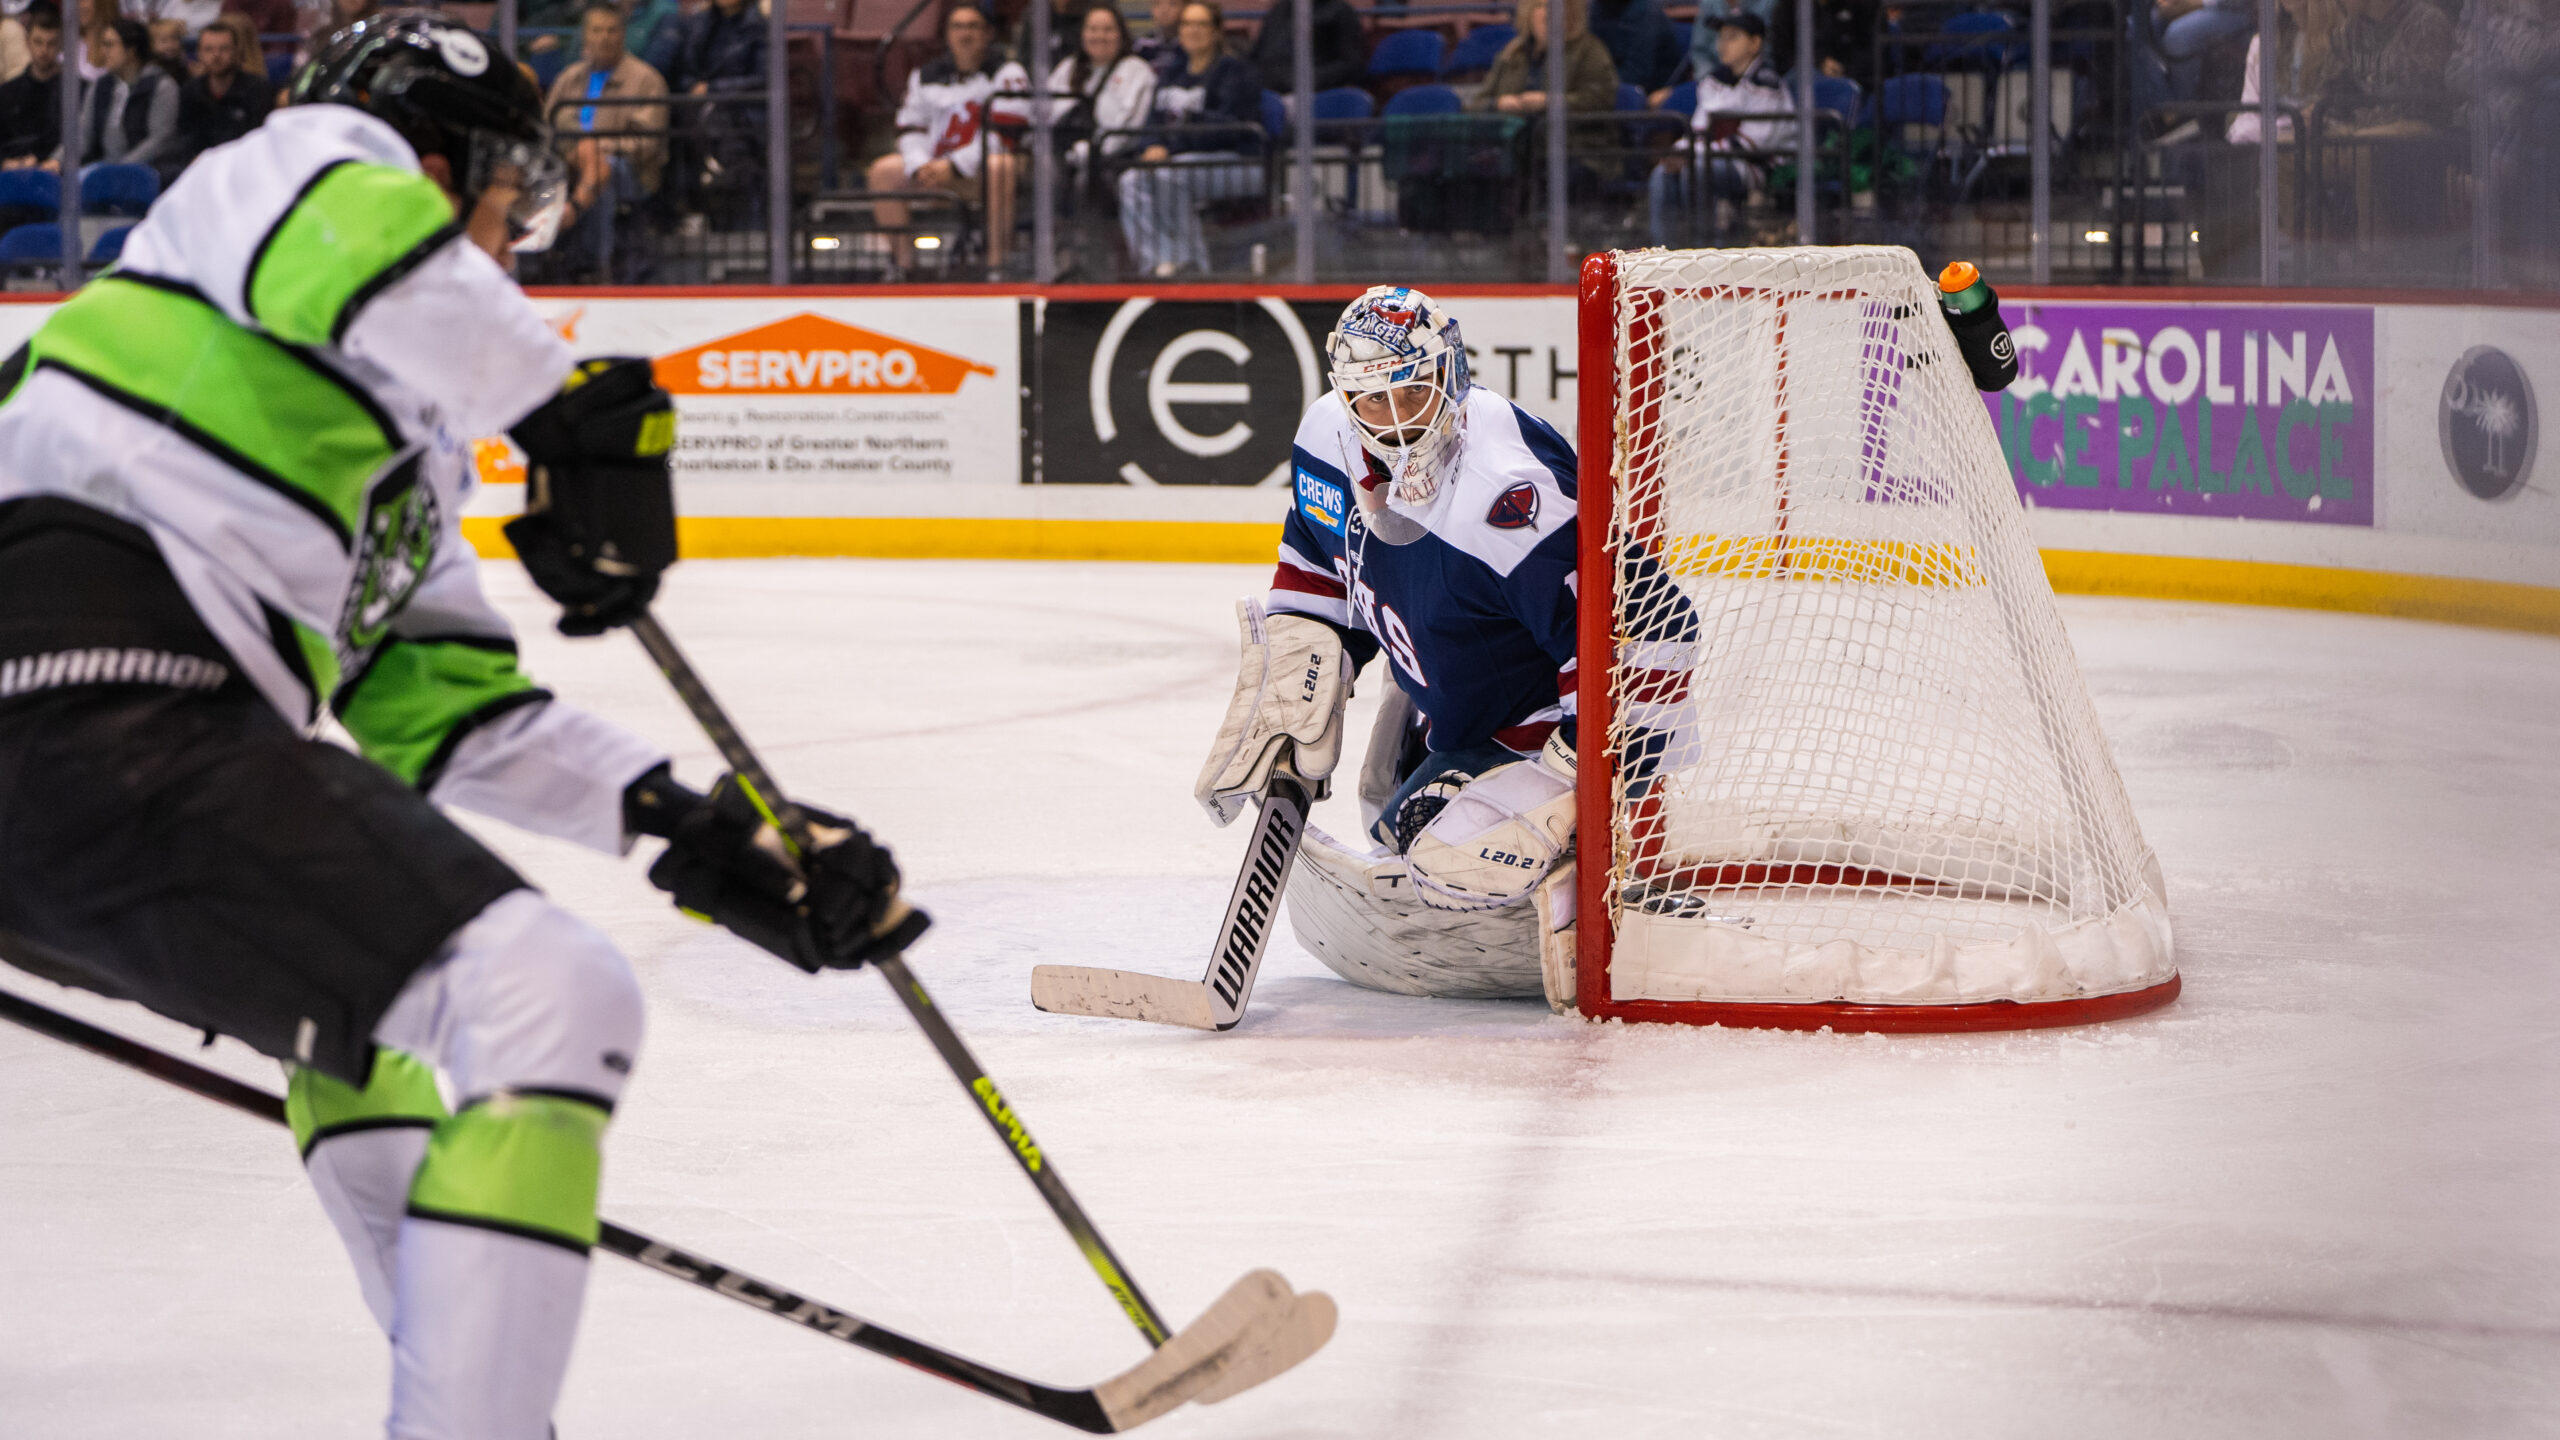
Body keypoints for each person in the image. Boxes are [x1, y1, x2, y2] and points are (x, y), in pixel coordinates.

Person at [0, 13, 920, 1438]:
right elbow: (359, 232)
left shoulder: (400, 448)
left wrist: (695, 830)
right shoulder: (287, 172)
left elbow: (447, 712)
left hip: (99, 763)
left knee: (365, 1017)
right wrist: (557, 413)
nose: (507, 244)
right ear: (436, 166)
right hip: (87, 692)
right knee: (550, 996)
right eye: (504, 201)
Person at [1195, 287, 1613, 1003]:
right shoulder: (1326, 436)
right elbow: (1319, 553)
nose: (1394, 422)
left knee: (1442, 849)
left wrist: (1573, 781)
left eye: (1413, 392)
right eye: (1372, 400)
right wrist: (1304, 662)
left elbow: (1640, 640)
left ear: (1452, 374)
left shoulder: (1511, 495)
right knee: (1387, 809)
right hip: (1450, 694)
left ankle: (1599, 858)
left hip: (1544, 728)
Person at [866, 2, 1027, 271]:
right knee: (884, 171)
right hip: (934, 168)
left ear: (988, 33)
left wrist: (954, 165)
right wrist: (921, 165)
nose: (965, 34)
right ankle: (905, 268)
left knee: (1001, 166)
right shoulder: (925, 75)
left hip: (979, 171)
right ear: (947, 34)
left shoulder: (1008, 74)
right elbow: (909, 128)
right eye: (957, 27)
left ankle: (996, 266)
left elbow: (1007, 134)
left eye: (973, 27)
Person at [1116, 0, 1259, 276]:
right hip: (1181, 158)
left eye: (1201, 24)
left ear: (1216, 31)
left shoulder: (1234, 71)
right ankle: (1156, 266)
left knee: (1170, 175)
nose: (1193, 30)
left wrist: (1171, 145)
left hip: (1237, 162)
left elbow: (1229, 129)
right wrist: (1153, 145)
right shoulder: (1173, 73)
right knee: (1130, 180)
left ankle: (1192, 265)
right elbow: (1153, 121)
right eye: (1187, 24)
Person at [543, 0, 667, 282]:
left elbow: (648, 145)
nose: (604, 38)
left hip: (631, 170)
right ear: (585, 35)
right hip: (569, 160)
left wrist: (597, 147)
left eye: (611, 30)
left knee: (604, 169)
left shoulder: (646, 80)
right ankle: (540, 261)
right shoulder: (569, 78)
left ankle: (596, 265)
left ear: (623, 34)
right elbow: (547, 125)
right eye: (597, 30)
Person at [1646, 10, 1791, 243]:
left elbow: (1750, 144)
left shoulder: (1767, 83)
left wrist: (1692, 155)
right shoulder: (1714, 81)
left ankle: (1705, 250)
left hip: (1755, 168)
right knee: (1662, 173)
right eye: (1721, 37)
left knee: (1696, 170)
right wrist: (1677, 152)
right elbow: (1699, 131)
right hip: (1710, 159)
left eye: (1732, 37)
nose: (1723, 44)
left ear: (1755, 44)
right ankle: (1666, 253)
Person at [661, 0, 765, 223]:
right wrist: (693, 87)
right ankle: (683, 211)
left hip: (742, 109)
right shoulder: (700, 25)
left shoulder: (759, 28)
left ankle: (740, 217)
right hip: (699, 107)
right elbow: (686, 70)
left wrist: (714, 90)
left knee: (719, 125)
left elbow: (763, 79)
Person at [73, 17, 182, 179]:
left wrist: (120, 170)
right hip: (102, 167)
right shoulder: (99, 86)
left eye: (109, 45)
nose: (103, 51)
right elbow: (83, 134)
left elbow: (160, 140)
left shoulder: (162, 87)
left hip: (145, 173)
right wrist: (56, 160)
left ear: (131, 51)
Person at [1470, 0, 1619, 119]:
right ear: (1529, 12)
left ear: (1571, 13)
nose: (1547, 14)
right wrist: (1498, 104)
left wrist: (1548, 102)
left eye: (1555, 6)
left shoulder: (1589, 50)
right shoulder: (1512, 53)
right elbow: (1476, 105)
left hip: (1573, 142)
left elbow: (1601, 100)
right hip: (1513, 142)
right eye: (1541, 6)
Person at [173, 8, 270, 163]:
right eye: (209, 49)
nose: (216, 55)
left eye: (224, 49)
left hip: (243, 163)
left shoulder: (257, 88)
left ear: (236, 52)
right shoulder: (190, 91)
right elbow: (184, 138)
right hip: (198, 165)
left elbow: (258, 138)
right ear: (199, 53)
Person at [1238, 0, 1365, 95]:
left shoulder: (1340, 11)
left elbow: (1352, 64)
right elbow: (1255, 55)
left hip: (1310, 95)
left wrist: (1307, 80)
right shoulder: (1279, 10)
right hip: (1264, 88)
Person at [0, 5, 61, 166]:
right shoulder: (7, 93)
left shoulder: (74, 92)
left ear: (60, 45)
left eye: (51, 43)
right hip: (10, 172)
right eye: (38, 42)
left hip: (55, 171)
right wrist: (5, 162)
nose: (44, 50)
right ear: (27, 42)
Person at [1588, 0, 1684, 94]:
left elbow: (1637, 73)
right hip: (1614, 82)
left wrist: (1597, 85)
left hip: (1651, 92)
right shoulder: (1598, 7)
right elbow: (1593, 57)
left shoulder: (1646, 11)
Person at [1132, 0, 1182, 65]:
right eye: (1157, 3)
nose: (1164, 10)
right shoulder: (1141, 45)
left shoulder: (1190, 44)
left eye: (1172, 3)